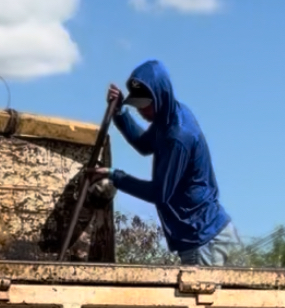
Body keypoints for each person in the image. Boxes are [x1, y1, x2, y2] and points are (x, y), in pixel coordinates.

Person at [91, 60, 242, 266]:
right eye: (138, 106)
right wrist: (120, 114)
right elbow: (144, 145)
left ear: (160, 96)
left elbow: (160, 194)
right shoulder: (167, 118)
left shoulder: (178, 136)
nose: (142, 112)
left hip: (204, 239)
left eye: (145, 105)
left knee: (200, 298)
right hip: (204, 235)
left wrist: (116, 176)